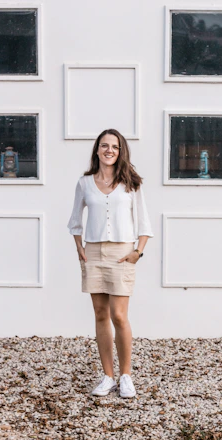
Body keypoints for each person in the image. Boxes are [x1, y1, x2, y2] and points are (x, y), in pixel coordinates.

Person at [67, 128, 153, 398]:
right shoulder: (84, 183)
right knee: (101, 314)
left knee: (119, 315)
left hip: (122, 253)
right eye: (104, 146)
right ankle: (107, 376)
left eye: (114, 147)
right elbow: (75, 220)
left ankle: (126, 376)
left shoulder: (131, 183)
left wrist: (137, 252)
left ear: (120, 151)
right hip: (94, 253)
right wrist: (79, 246)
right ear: (97, 150)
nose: (109, 150)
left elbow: (144, 222)